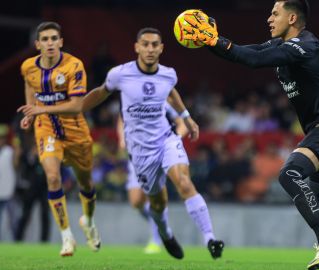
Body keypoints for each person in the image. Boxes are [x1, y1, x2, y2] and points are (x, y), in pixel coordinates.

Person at [182, 1, 319, 269]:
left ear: (293, 17)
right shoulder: (282, 46)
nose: (269, 19)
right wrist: (211, 41)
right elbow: (245, 54)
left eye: (275, 13)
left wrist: (215, 39)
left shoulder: (304, 47)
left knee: (289, 174)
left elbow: (252, 59)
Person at [19, 27, 225, 260]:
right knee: (157, 203)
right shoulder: (120, 74)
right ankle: (165, 233)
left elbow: (170, 92)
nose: (149, 49)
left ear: (161, 48)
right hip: (139, 152)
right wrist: (78, 108)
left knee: (184, 182)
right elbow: (99, 92)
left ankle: (210, 238)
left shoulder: (169, 74)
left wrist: (187, 118)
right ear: (136, 47)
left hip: (166, 140)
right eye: (145, 44)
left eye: (154, 45)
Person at [17, 21, 100, 256]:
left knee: (86, 183)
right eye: (45, 39)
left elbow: (76, 106)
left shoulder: (74, 66)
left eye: (54, 38)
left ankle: (90, 223)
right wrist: (31, 113)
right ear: (37, 44)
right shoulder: (27, 67)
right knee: (52, 178)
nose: (50, 43)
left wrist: (41, 110)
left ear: (60, 42)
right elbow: (30, 85)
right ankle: (67, 237)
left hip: (76, 130)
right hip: (47, 130)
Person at [118, 103, 188, 254]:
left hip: (156, 155)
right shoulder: (131, 97)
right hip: (135, 154)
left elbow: (183, 123)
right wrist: (121, 138)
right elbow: (121, 118)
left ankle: (157, 239)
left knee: (155, 198)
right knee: (136, 201)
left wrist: (172, 140)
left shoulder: (164, 99)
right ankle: (160, 225)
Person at [0, 124, 16, 241]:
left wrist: (17, 147)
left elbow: (16, 164)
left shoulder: (10, 152)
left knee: (13, 219)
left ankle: (16, 240)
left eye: (2, 138)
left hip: (8, 191)